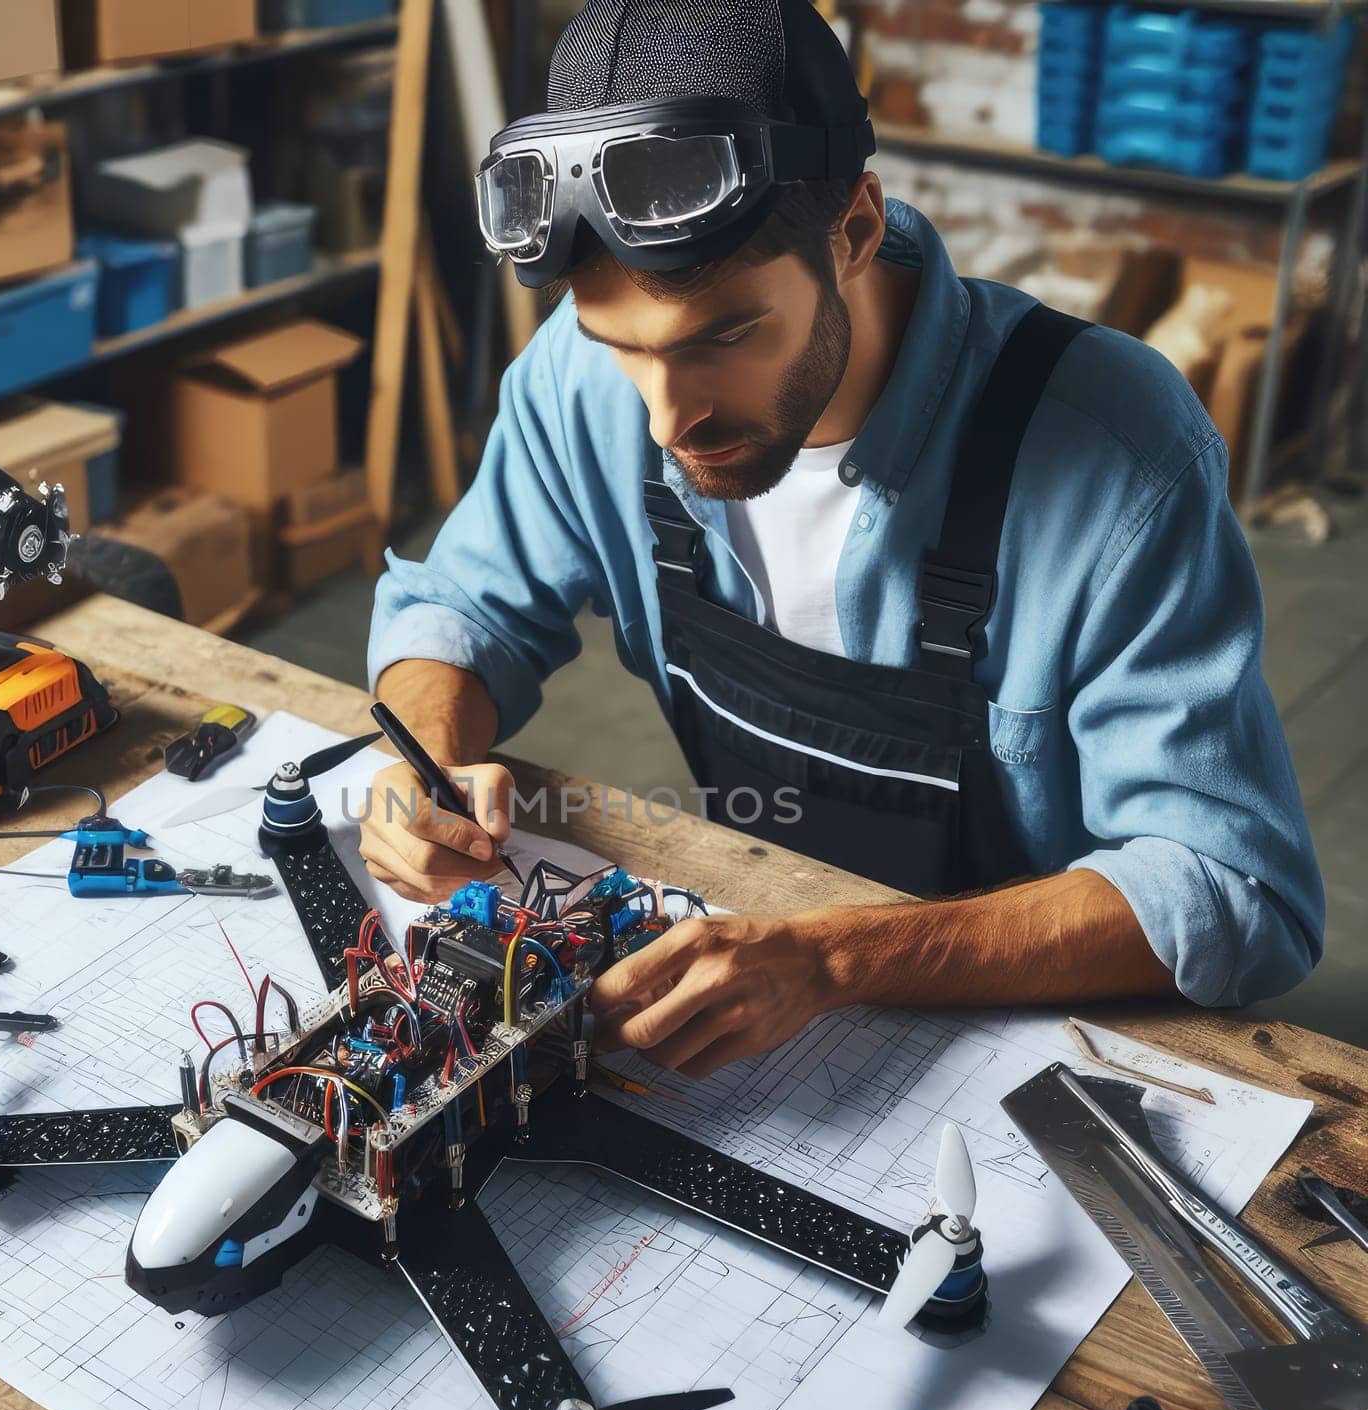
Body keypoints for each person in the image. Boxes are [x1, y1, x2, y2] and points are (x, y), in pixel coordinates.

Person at [359, 0, 1323, 1078]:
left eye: (724, 337)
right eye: (622, 348)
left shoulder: (1115, 447)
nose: (668, 419)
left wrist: (838, 958)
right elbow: (464, 609)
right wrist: (425, 758)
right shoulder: (581, 377)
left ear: (855, 229)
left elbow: (1238, 892)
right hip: (748, 967)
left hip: (1032, 1020)